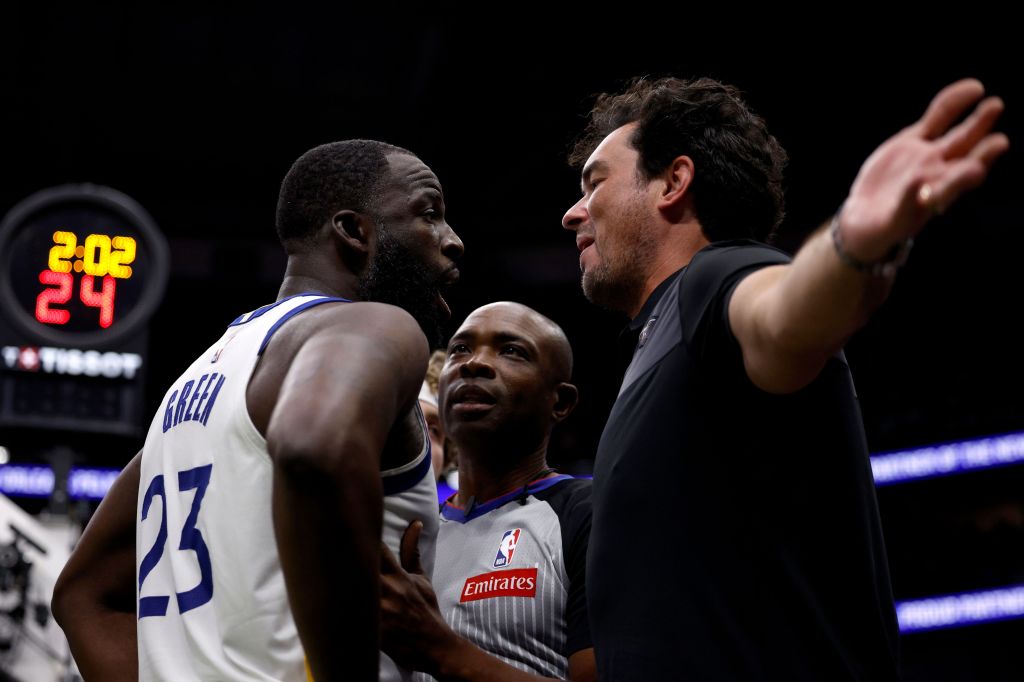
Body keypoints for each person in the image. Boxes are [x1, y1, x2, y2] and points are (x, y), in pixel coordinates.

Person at [560, 77, 1008, 679]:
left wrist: (854, 241)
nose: (572, 213)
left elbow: (783, 316)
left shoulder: (716, 277)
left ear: (673, 182)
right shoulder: (661, 335)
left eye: (595, 184)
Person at [50, 138, 464, 681]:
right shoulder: (376, 324)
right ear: (355, 232)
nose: (452, 241)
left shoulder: (197, 379)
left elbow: (81, 596)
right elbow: (314, 448)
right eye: (429, 214)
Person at [379, 302, 596, 681]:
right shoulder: (410, 533)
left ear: (559, 402)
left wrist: (440, 650)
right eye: (461, 349)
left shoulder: (594, 515)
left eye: (511, 351)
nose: (473, 363)